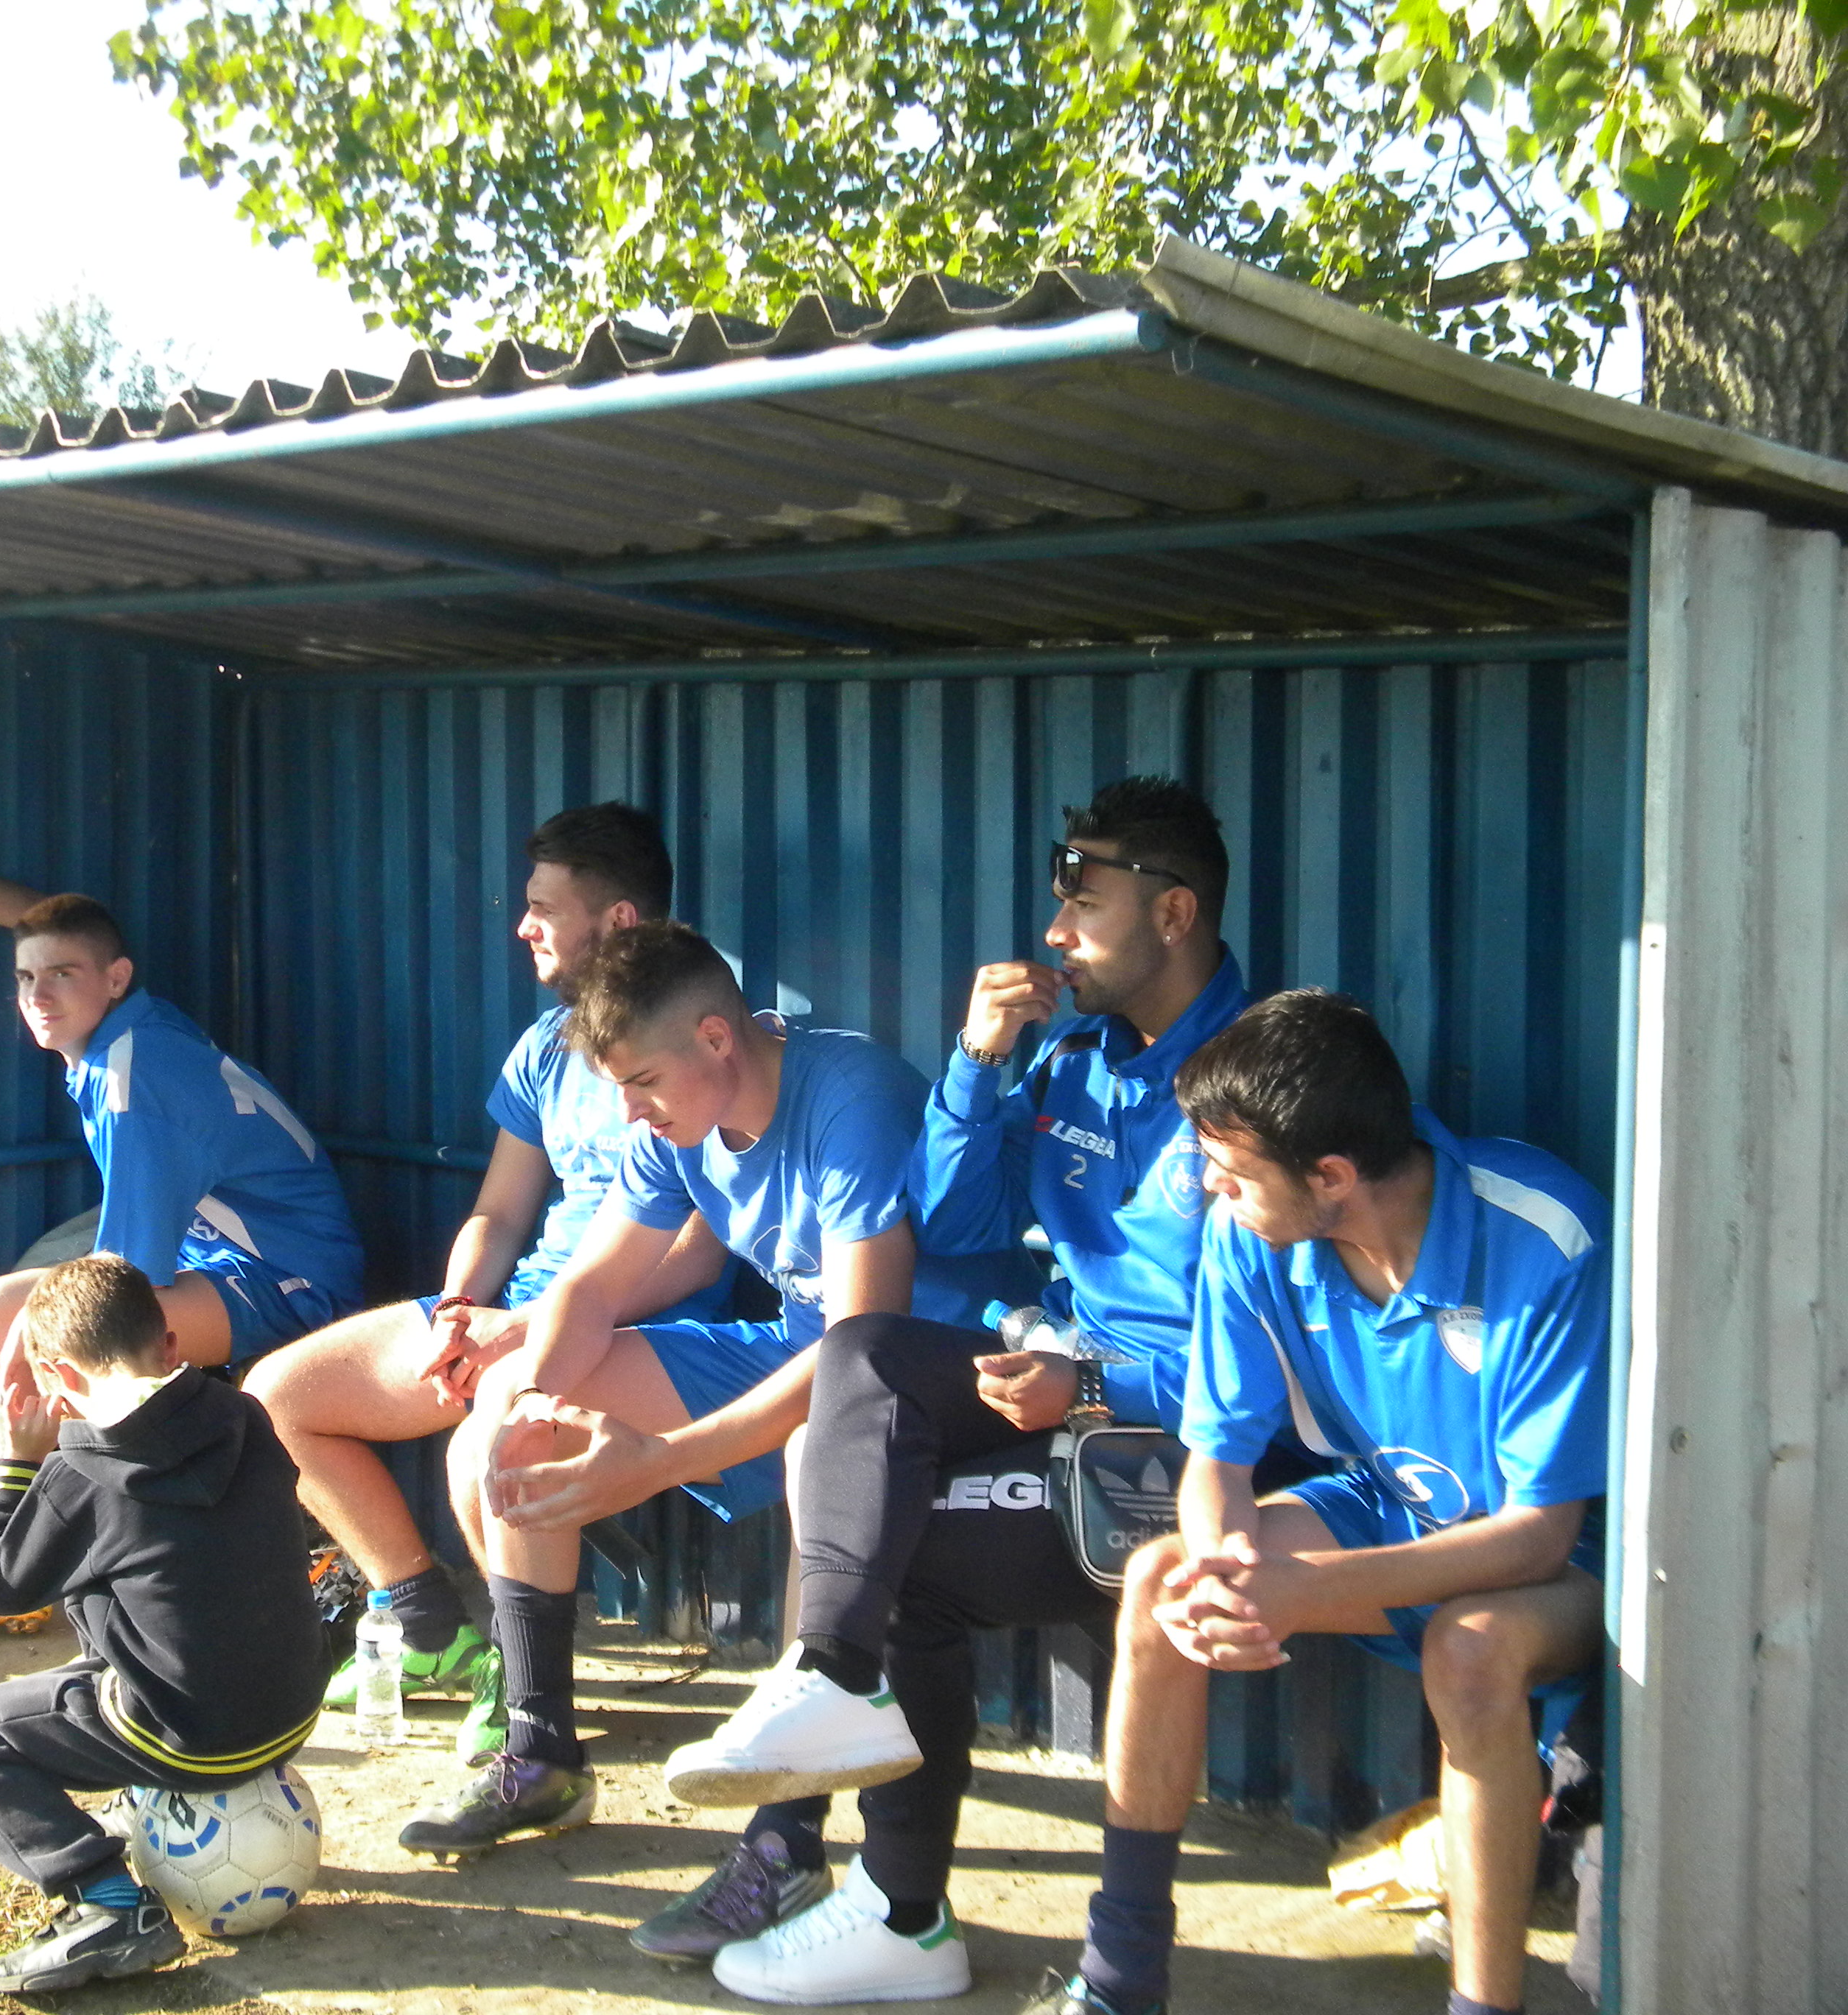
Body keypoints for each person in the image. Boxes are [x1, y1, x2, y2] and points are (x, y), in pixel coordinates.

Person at [647, 777, 1247, 1991]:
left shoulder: (1251, 1087)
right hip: (1068, 1393)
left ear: (1174, 912)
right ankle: (830, 1687)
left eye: (1085, 902)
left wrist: (1090, 1384)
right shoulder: (1075, 1059)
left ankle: (900, 1912)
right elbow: (954, 1218)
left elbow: (1272, 1361)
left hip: (1186, 1454)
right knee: (860, 1357)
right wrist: (977, 1064)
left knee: (899, 1543)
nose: (1056, 931)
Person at [1024, 990, 1609, 2015]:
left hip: (1563, 1566)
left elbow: (1539, 1537)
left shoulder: (1541, 1237)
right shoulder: (1247, 1231)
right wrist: (1225, 1574)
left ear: (1331, 1177)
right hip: (1388, 1508)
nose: (1209, 1187)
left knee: (1469, 1651)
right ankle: (1119, 1978)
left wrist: (1299, 1591)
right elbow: (1218, 1455)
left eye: (1233, 1169)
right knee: (1163, 1581)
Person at [397, 919, 1024, 1860]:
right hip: (807, 1348)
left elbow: (864, 1354)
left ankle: (785, 1840)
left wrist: (661, 1460)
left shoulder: (849, 1098)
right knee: (518, 1404)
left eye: (644, 1084)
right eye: (620, 1089)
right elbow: (591, 1289)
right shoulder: (669, 1121)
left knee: (821, 1451)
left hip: (928, 1372)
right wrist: (521, 1409)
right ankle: (539, 1751)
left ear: (717, 1038)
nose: (631, 1113)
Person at [239, 803, 728, 1754]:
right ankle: (424, 1622)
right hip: (517, 1309)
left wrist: (530, 1331)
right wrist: (464, 1307)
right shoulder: (546, 1047)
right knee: (277, 1398)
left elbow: (697, 1254)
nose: (524, 927)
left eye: (544, 907)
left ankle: (522, 1679)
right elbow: (499, 1215)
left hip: (633, 1324)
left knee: (488, 1447)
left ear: (619, 920)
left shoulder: (697, 1047)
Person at [0, 834, 362, 1470]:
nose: (39, 997)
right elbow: (54, 929)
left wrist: (28, 1331)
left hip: (287, 1279)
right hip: (214, 1254)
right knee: (0, 1310)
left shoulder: (132, 1080)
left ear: (115, 978)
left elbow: (128, 1274)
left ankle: (30, 1516)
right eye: (26, 978)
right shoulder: (134, 1022)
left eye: (61, 977)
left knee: (29, 1326)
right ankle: (21, 1517)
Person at [0, 1252, 326, 1997]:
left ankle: (104, 1901)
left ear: (56, 1377)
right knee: (145, 1594)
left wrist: (17, 1466)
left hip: (191, 1737)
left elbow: (3, 1588)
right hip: (293, 1709)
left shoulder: (78, 1474)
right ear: (170, 1344)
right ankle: (139, 1799)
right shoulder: (243, 1415)